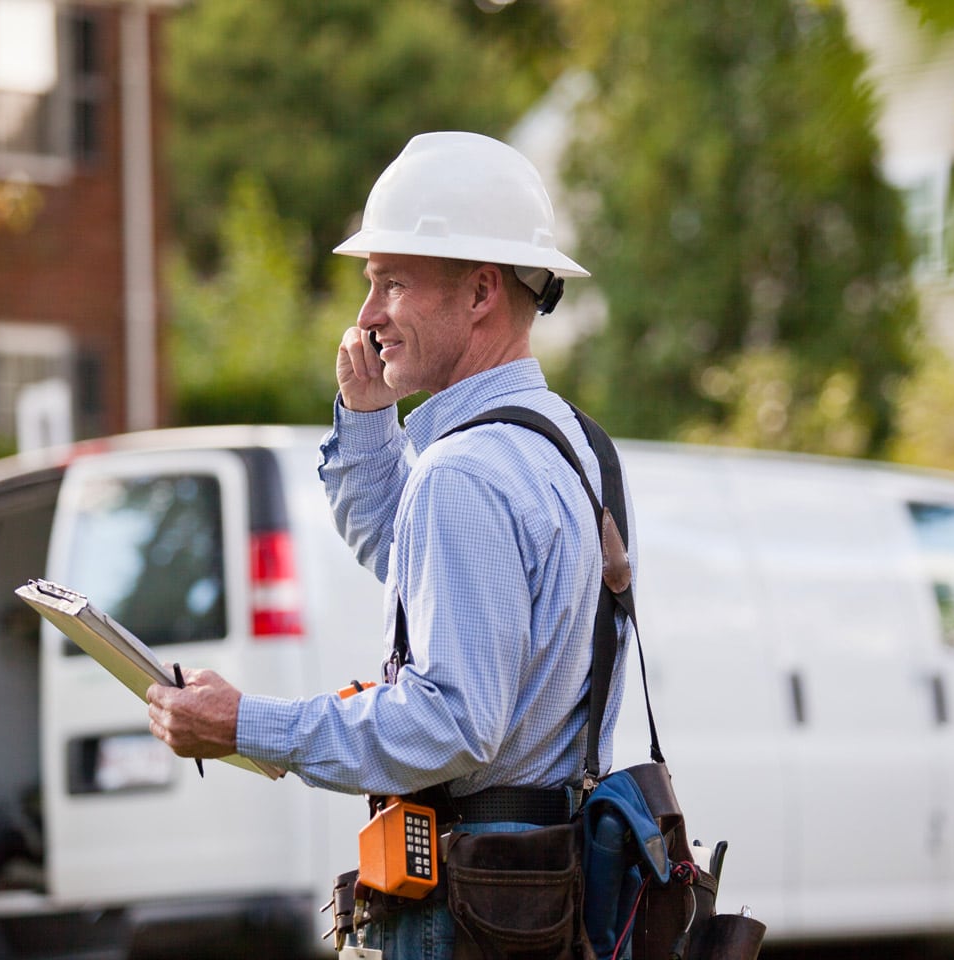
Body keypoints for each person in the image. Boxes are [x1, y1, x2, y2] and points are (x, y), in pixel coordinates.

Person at [146, 131, 636, 959]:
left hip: (470, 909)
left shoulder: (465, 474)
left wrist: (245, 724)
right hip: (545, 891)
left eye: (394, 284)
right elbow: (414, 563)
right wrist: (371, 417)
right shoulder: (575, 446)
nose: (368, 316)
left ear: (481, 292)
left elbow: (448, 726)